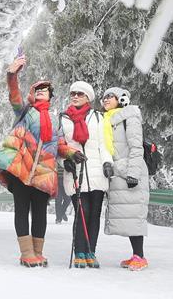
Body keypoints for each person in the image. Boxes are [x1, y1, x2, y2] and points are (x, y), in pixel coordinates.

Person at [0, 55, 64, 267]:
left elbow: (59, 144)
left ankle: (38, 252)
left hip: (44, 172)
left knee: (40, 213)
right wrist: (12, 74)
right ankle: (26, 253)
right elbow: (14, 95)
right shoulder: (25, 111)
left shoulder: (54, 119)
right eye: (38, 88)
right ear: (33, 94)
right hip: (22, 170)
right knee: (22, 209)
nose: (41, 90)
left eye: (45, 89)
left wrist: (70, 154)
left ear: (51, 95)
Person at [58, 81, 112, 268]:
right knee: (82, 212)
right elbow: (58, 145)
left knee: (95, 213)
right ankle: (79, 251)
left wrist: (107, 163)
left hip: (98, 172)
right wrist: (65, 160)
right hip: (75, 171)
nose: (75, 96)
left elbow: (104, 144)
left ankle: (91, 251)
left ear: (88, 97)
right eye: (73, 93)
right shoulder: (64, 118)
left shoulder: (98, 117)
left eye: (80, 94)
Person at [102, 87, 150, 271]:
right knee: (128, 215)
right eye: (104, 97)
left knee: (134, 213)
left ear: (121, 99)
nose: (105, 99)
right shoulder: (108, 120)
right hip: (118, 172)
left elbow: (136, 147)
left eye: (110, 96)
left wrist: (133, 173)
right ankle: (136, 255)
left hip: (130, 171)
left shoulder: (129, 116)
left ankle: (140, 256)